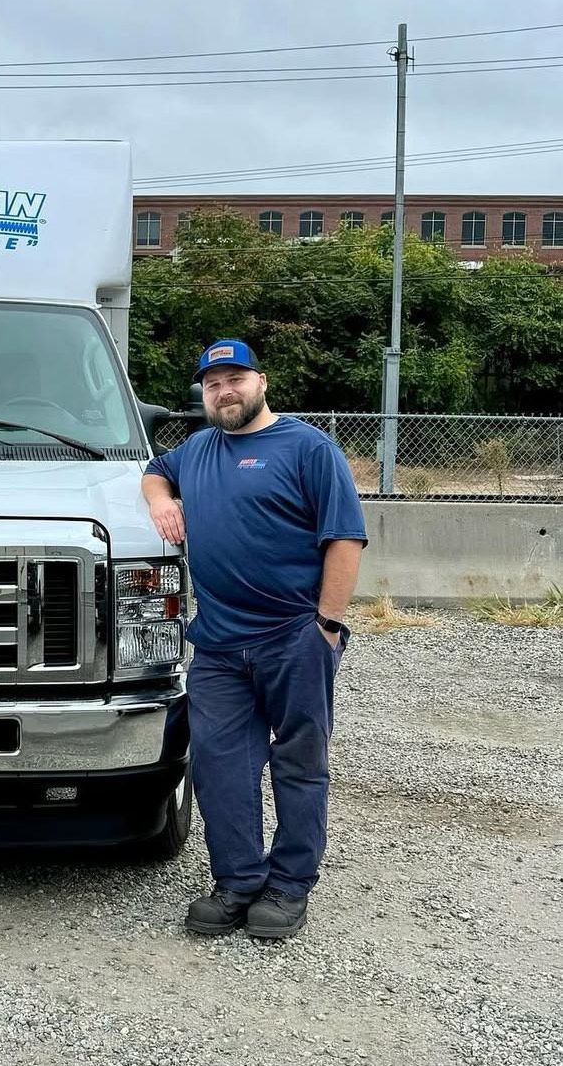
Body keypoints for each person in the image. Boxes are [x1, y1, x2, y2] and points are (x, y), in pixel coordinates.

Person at [141, 339, 367, 939]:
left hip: (293, 639)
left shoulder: (307, 447)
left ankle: (291, 886)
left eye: (235, 378)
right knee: (219, 765)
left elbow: (344, 537)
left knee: (298, 761)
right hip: (217, 646)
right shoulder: (197, 448)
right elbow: (153, 473)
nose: (224, 391)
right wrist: (164, 505)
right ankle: (238, 880)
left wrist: (325, 626)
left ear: (260, 382)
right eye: (212, 383)